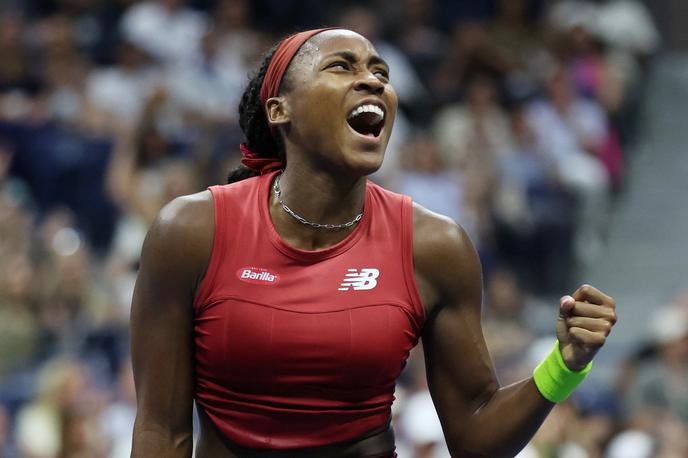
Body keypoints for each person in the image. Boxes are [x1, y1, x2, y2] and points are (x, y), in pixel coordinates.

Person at [130, 28, 617, 458]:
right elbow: (161, 429)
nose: (374, 81)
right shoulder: (191, 231)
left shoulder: (434, 246)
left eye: (380, 71)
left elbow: (476, 438)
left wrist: (564, 366)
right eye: (341, 66)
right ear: (281, 110)